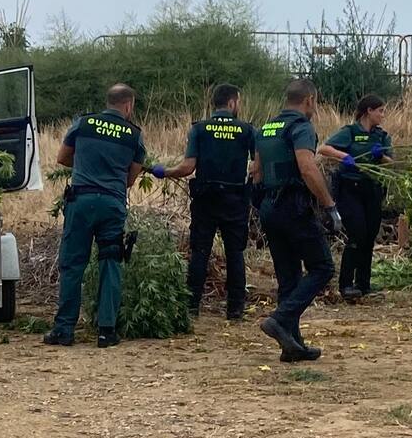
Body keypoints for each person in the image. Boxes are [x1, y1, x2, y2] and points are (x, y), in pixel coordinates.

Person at [43, 84, 147, 349]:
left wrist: (85, 166)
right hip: (112, 203)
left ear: (109, 102)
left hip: (81, 201)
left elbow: (62, 158)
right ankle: (106, 331)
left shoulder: (83, 124)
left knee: (72, 264)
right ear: (128, 106)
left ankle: (64, 329)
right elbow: (131, 179)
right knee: (111, 262)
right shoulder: (134, 136)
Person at [254, 79, 342, 363]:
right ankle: (280, 319)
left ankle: (291, 345)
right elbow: (307, 167)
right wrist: (329, 205)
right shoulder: (301, 127)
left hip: (269, 206)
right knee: (323, 266)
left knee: (288, 277)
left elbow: (256, 171)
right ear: (309, 100)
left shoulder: (266, 128)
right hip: (293, 206)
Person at [152, 84, 256, 320]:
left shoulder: (199, 129)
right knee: (235, 252)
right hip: (235, 199)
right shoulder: (247, 130)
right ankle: (235, 309)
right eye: (238, 101)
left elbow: (188, 167)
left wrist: (164, 172)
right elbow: (256, 164)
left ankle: (192, 307)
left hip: (205, 198)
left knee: (200, 251)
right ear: (232, 103)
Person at [318, 94, 393, 300]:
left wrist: (381, 157)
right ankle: (346, 284)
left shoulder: (381, 136)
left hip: (373, 189)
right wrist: (344, 156)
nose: (383, 115)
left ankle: (363, 283)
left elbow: (391, 163)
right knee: (357, 234)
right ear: (369, 111)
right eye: (380, 111)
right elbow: (324, 148)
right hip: (350, 188)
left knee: (369, 236)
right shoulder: (350, 132)